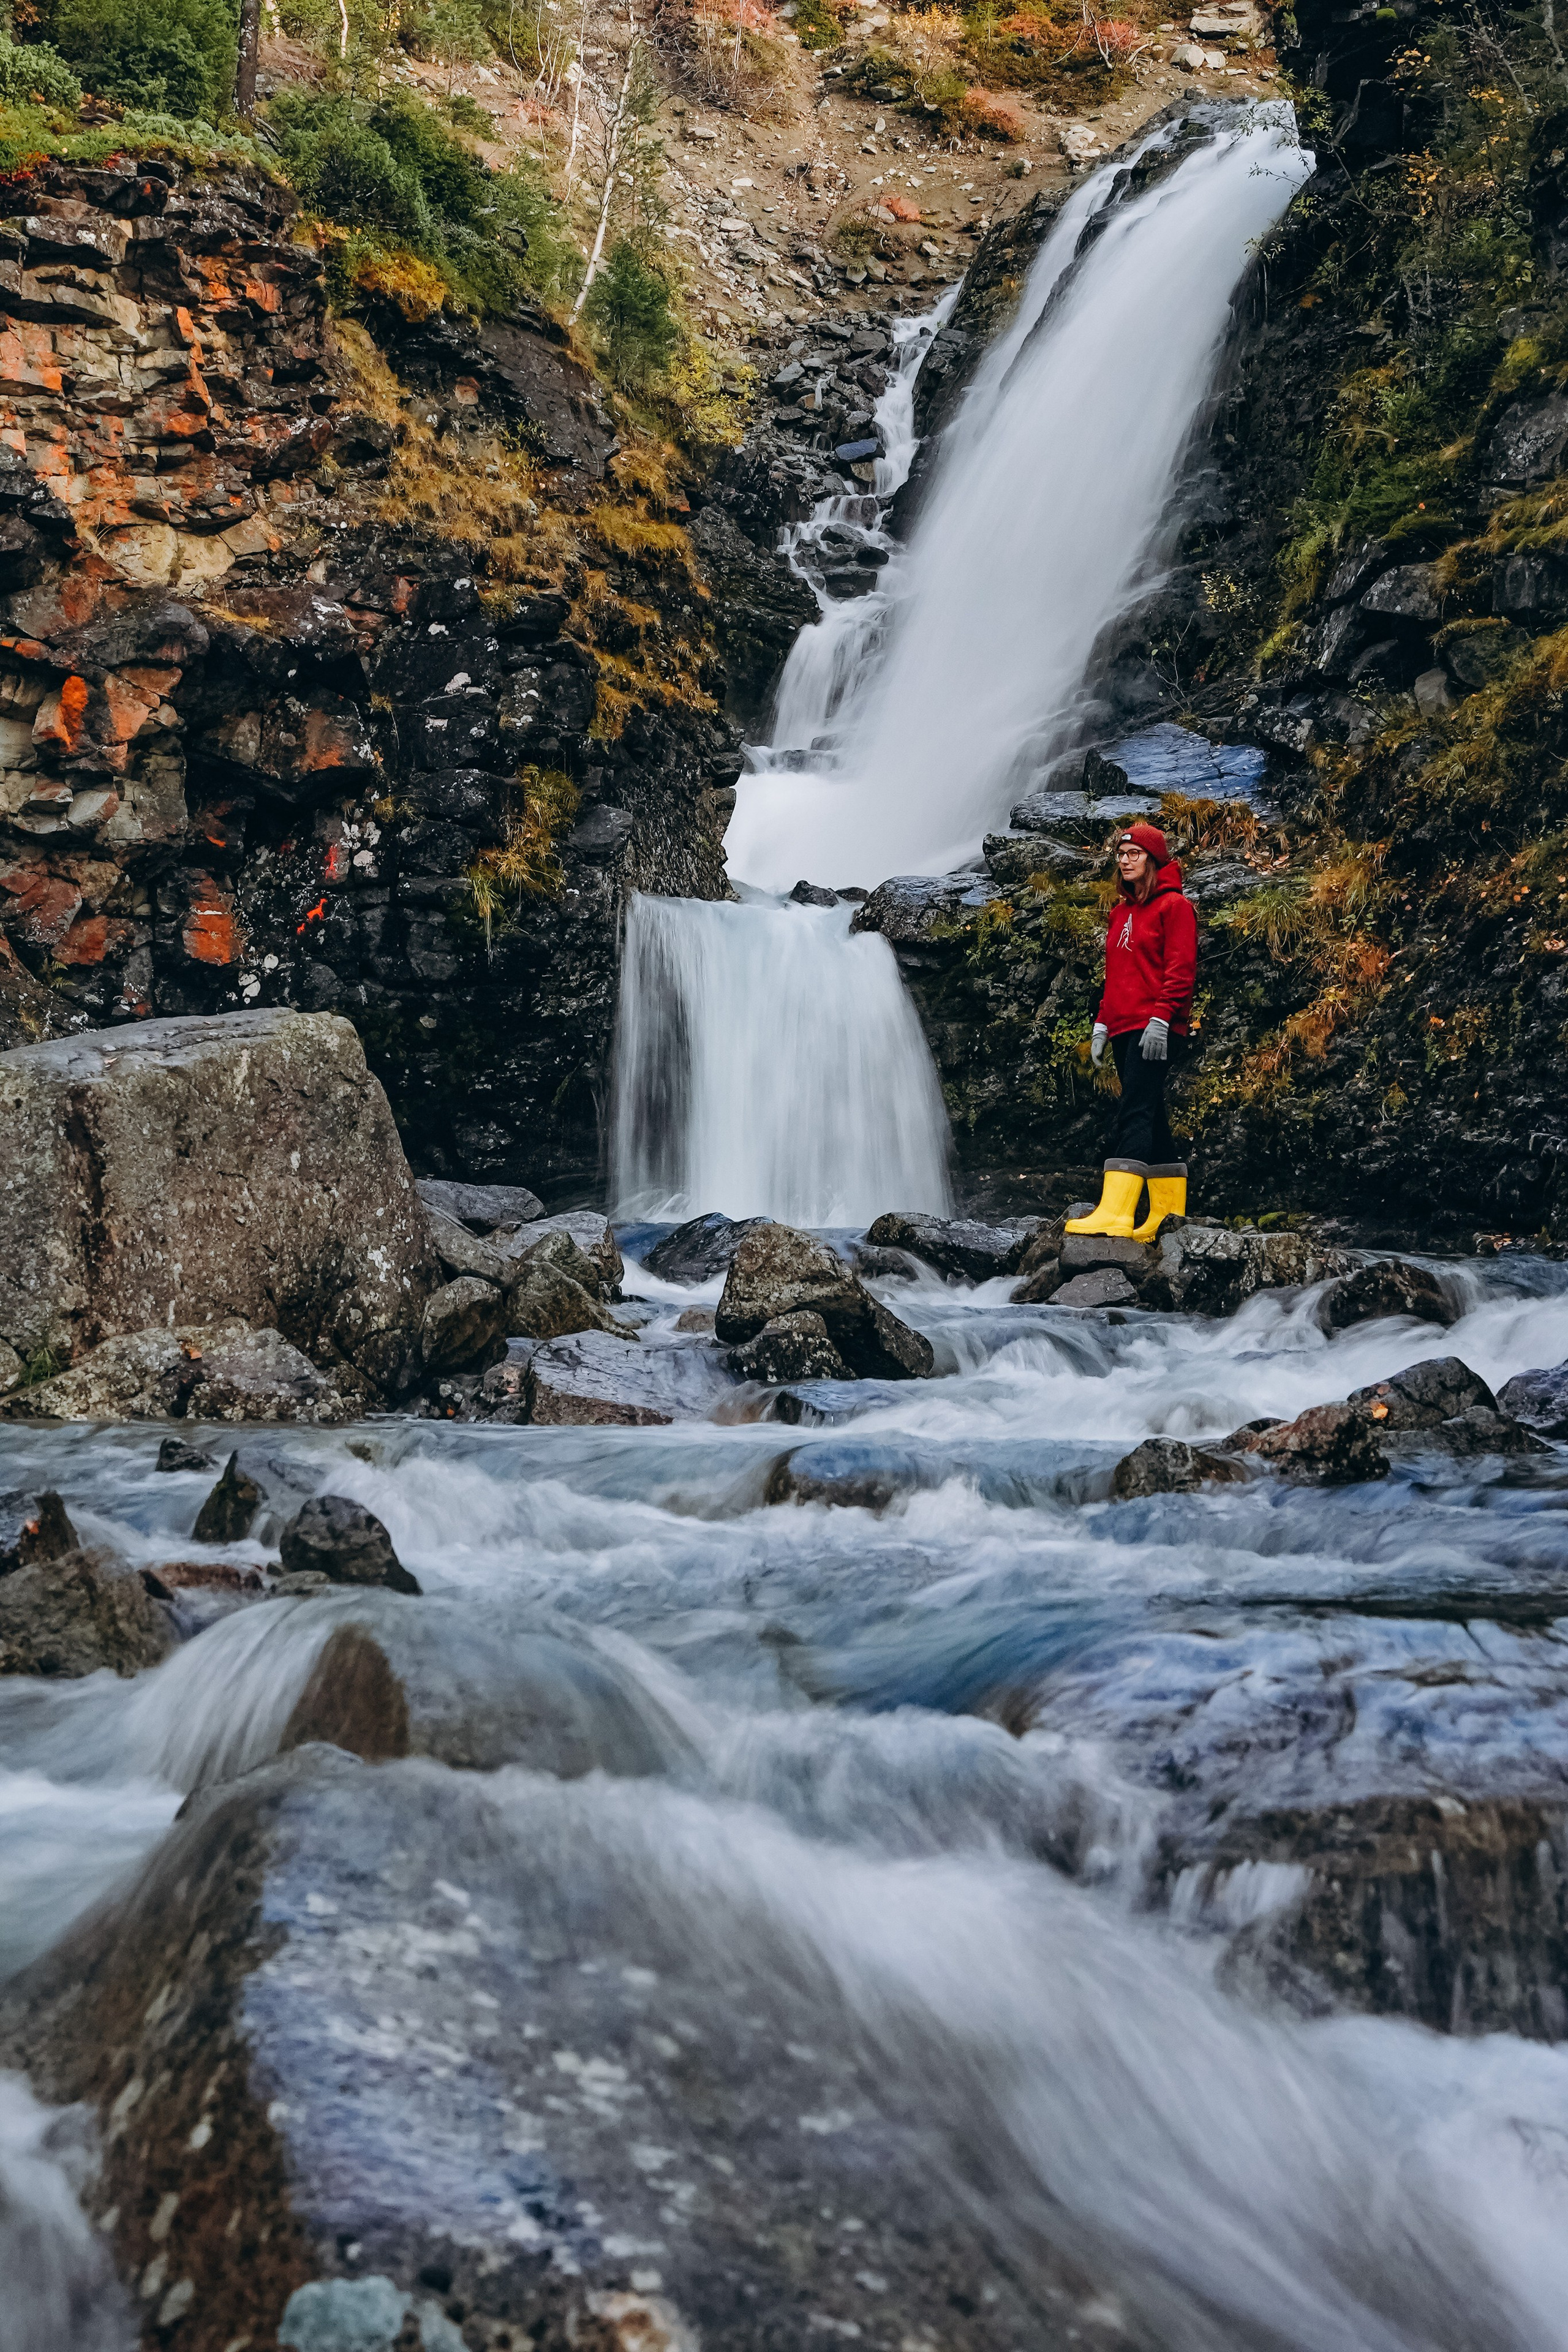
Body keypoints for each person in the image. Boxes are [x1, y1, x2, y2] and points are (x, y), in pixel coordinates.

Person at [1065, 819, 1197, 1242]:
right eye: (1121, 855)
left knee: (1134, 1112)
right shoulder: (1120, 913)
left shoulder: (1174, 907)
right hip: (1124, 1026)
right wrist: (1103, 1022)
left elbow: (1181, 970)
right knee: (1152, 1115)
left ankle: (1117, 1214)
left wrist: (1162, 1018)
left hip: (1155, 1027)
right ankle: (1166, 1216)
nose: (1124, 861)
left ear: (1153, 859)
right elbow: (1117, 976)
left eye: (1133, 854)